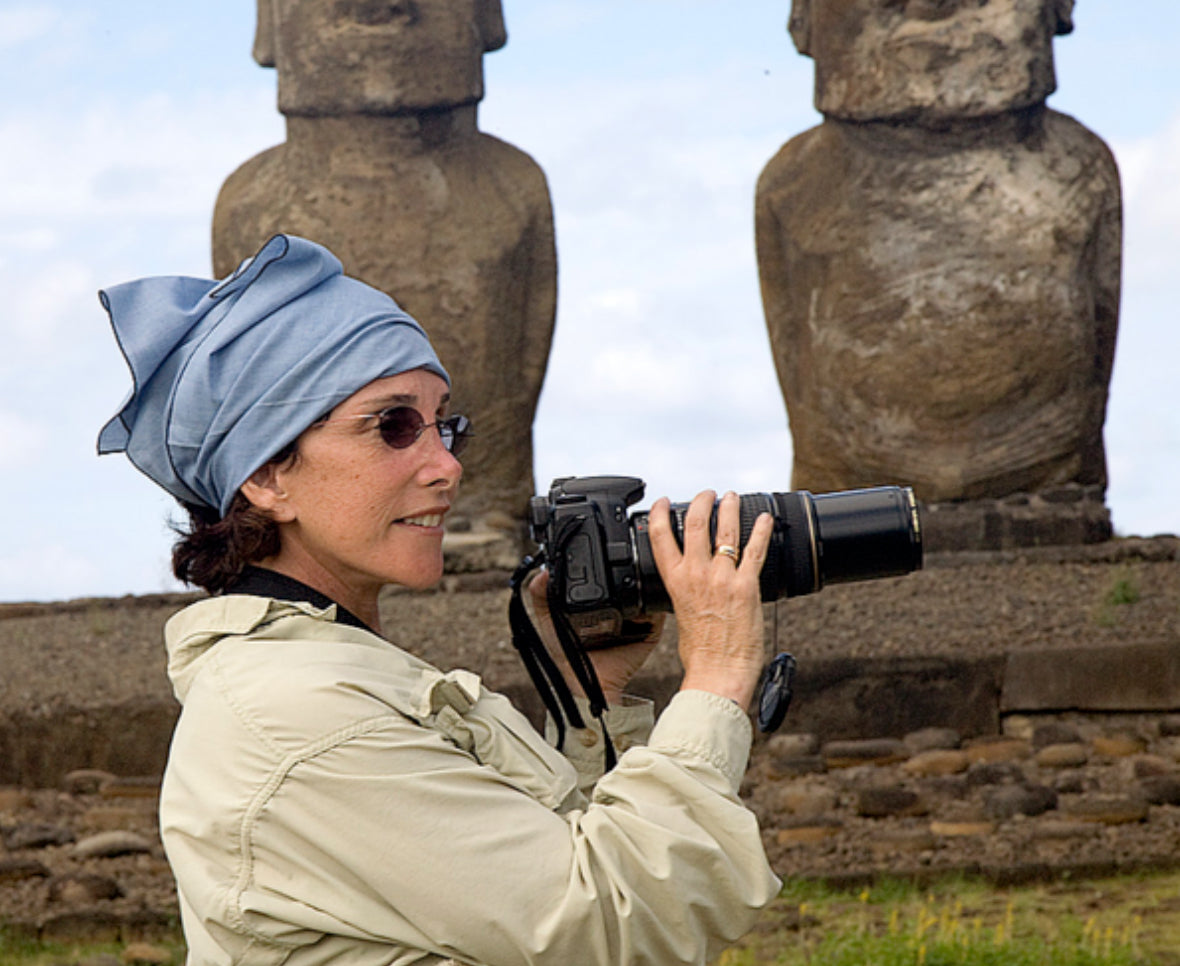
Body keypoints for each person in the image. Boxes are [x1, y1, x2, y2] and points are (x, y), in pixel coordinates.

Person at [98, 234, 780, 966]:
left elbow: (530, 897)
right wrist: (716, 674)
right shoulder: (300, 711)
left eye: (444, 424)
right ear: (266, 476)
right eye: (392, 425)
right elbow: (615, 924)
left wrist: (594, 697)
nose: (447, 466)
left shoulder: (327, 673)